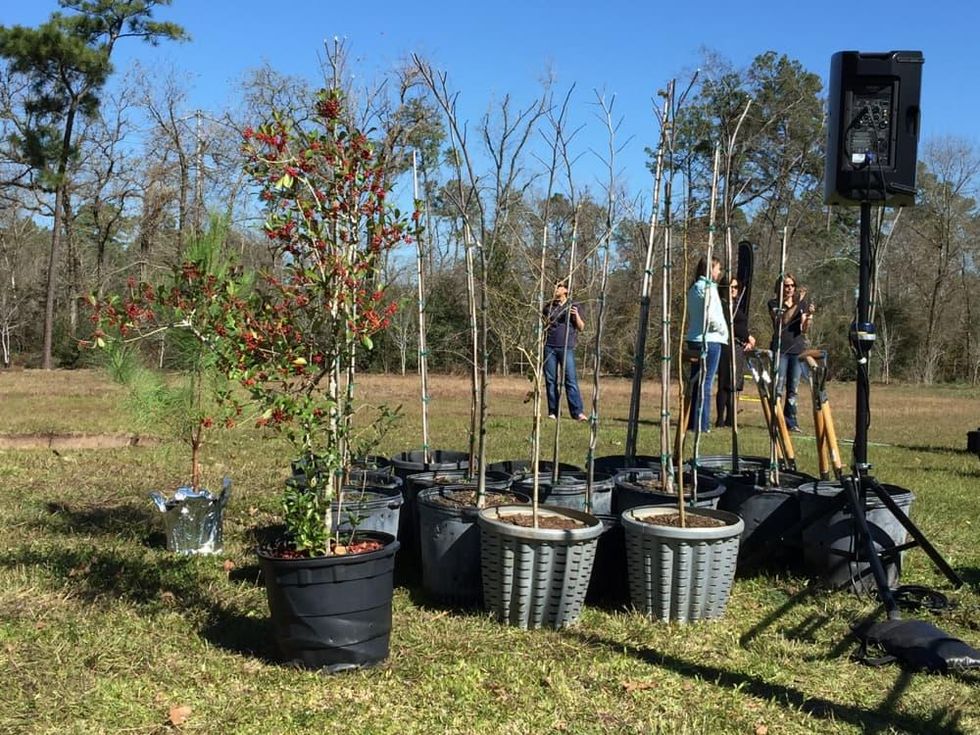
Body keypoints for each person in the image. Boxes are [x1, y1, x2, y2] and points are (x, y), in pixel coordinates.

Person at [685, 256, 728, 433]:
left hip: (694, 338)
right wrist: (722, 330)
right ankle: (702, 424)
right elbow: (709, 316)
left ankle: (692, 421)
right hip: (710, 339)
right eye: (717, 268)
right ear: (710, 269)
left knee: (696, 382)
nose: (719, 272)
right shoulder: (709, 289)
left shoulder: (693, 288)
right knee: (706, 382)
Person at [767, 273, 814, 433]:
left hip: (797, 349)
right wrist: (797, 303)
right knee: (778, 387)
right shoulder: (774, 303)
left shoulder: (802, 304)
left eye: (792, 286)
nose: (789, 289)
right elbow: (783, 320)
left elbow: (804, 329)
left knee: (793, 388)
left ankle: (791, 421)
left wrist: (808, 318)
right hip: (781, 349)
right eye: (786, 285)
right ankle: (776, 420)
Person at [543, 280, 587, 421]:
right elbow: (544, 325)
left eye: (559, 286)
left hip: (566, 347)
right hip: (549, 346)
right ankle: (553, 412)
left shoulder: (574, 306)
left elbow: (581, 327)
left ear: (566, 290)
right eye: (554, 286)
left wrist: (576, 316)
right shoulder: (548, 307)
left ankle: (577, 412)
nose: (555, 289)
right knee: (551, 380)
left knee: (570, 380)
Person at [715, 276, 756, 427]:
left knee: (734, 384)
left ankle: (731, 418)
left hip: (738, 347)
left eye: (735, 287)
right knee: (725, 383)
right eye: (730, 287)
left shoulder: (736, 305)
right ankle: (720, 419)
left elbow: (742, 326)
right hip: (727, 345)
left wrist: (746, 339)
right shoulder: (722, 305)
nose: (733, 290)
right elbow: (732, 326)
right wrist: (748, 337)